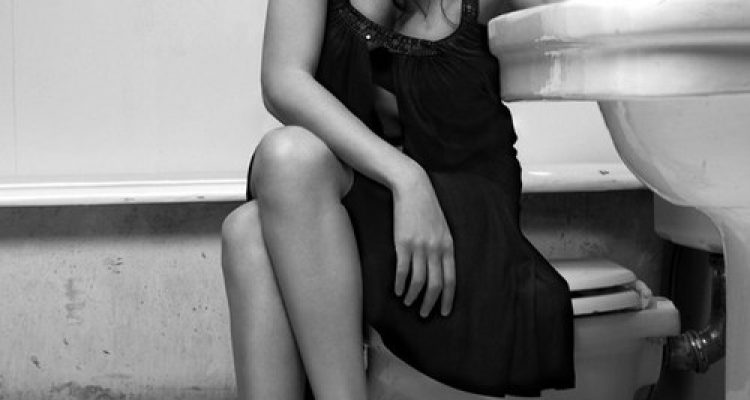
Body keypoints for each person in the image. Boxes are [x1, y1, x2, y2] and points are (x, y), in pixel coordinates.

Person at [220, 0, 575, 398]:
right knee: (254, 217)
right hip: (368, 202)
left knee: (268, 195)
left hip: (461, 220)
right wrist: (406, 177)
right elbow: (282, 81)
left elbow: (599, 15)